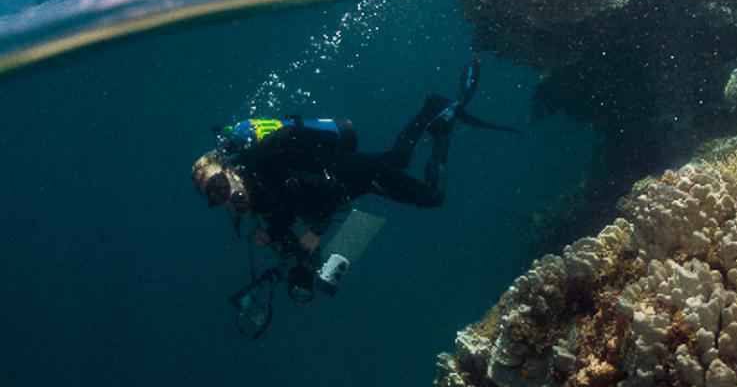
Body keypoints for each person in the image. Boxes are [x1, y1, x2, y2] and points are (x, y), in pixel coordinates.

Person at [193, 60, 516, 272]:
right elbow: (288, 212)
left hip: (354, 173)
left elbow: (326, 192)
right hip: (351, 174)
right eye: (214, 198)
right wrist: (273, 234)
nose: (224, 196)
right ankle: (432, 107)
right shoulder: (256, 196)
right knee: (398, 158)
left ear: (229, 170)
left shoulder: (267, 164)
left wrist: (316, 233)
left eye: (220, 185)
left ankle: (442, 128)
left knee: (433, 197)